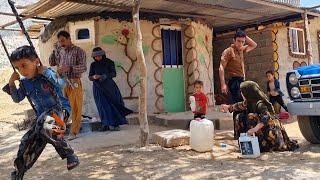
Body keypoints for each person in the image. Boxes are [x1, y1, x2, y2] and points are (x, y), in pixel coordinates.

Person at [4, 46, 79, 179]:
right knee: (27, 141)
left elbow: (61, 84)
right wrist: (11, 83)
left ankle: (69, 154)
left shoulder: (46, 74)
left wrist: (47, 73)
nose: (21, 70)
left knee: (46, 122)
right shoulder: (25, 83)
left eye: (24, 65)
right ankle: (19, 171)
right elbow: (17, 99)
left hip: (59, 111)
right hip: (42, 119)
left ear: (36, 62)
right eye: (17, 68)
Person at [221, 81, 299, 152]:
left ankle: (262, 144)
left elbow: (266, 117)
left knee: (251, 117)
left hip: (272, 131)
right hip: (263, 129)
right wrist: (228, 107)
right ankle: (245, 142)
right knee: (239, 116)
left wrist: (254, 129)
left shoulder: (260, 103)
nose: (241, 94)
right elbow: (238, 106)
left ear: (248, 92)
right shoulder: (248, 102)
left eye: (243, 91)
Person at [219, 29, 257, 139]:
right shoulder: (228, 51)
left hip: (241, 80)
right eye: (239, 41)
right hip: (234, 81)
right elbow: (221, 67)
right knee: (238, 106)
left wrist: (245, 36)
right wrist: (222, 84)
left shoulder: (242, 50)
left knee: (242, 106)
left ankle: (240, 131)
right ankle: (238, 133)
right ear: (234, 40)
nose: (241, 44)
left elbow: (254, 44)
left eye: (242, 41)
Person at [49, 30, 87, 140]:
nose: (61, 43)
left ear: (69, 39)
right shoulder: (60, 51)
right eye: (60, 42)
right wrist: (54, 51)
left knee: (75, 108)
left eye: (63, 41)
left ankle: (74, 132)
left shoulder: (79, 51)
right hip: (61, 82)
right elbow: (52, 63)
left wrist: (69, 68)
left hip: (74, 81)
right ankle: (58, 132)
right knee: (60, 107)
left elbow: (84, 67)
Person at [89, 47, 133, 131]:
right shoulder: (93, 65)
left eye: (99, 56)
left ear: (103, 54)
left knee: (113, 104)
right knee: (102, 106)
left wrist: (103, 76)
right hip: (98, 89)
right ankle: (105, 124)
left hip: (110, 87)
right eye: (96, 56)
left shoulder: (109, 62)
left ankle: (116, 124)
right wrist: (93, 77)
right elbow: (90, 77)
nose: (97, 58)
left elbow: (113, 74)